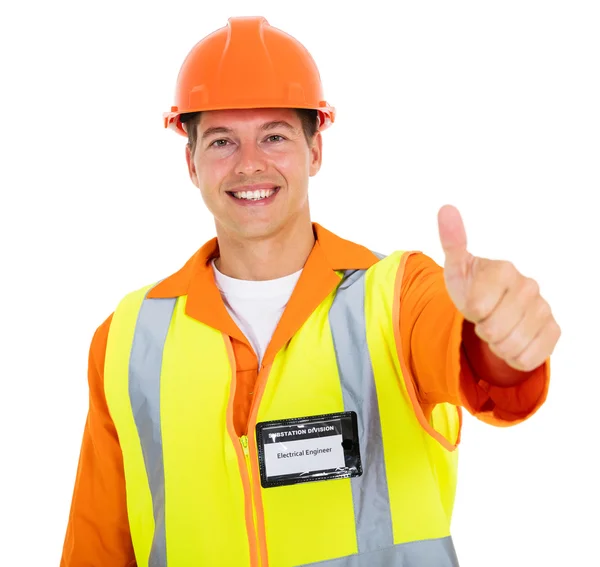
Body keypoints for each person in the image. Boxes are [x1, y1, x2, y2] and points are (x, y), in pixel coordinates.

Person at [60, 15, 560, 567]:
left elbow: (470, 358)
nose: (250, 163)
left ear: (315, 150)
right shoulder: (127, 340)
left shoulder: (395, 297)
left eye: (274, 136)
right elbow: (97, 547)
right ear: (191, 162)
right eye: (223, 141)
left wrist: (499, 337)